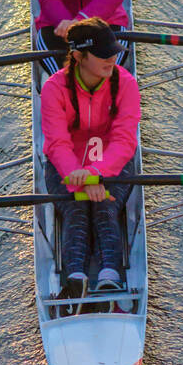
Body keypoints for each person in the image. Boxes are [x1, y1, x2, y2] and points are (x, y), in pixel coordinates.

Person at [40, 18, 141, 313]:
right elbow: (57, 145)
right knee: (76, 207)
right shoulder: (54, 89)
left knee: (105, 205)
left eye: (114, 52)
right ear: (78, 56)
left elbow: (124, 141)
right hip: (66, 167)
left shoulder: (126, 84)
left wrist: (97, 174)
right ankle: (77, 278)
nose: (112, 59)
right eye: (103, 54)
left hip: (112, 163)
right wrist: (81, 179)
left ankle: (107, 277)